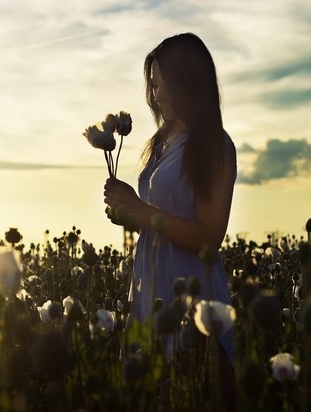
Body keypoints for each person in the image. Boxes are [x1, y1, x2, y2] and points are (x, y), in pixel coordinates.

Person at [103, 33, 237, 407]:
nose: (156, 96)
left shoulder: (214, 145)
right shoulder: (161, 143)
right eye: (153, 85)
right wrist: (130, 215)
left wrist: (141, 210)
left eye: (163, 84)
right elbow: (162, 216)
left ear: (189, 83)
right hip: (152, 290)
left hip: (194, 295)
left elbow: (210, 236)